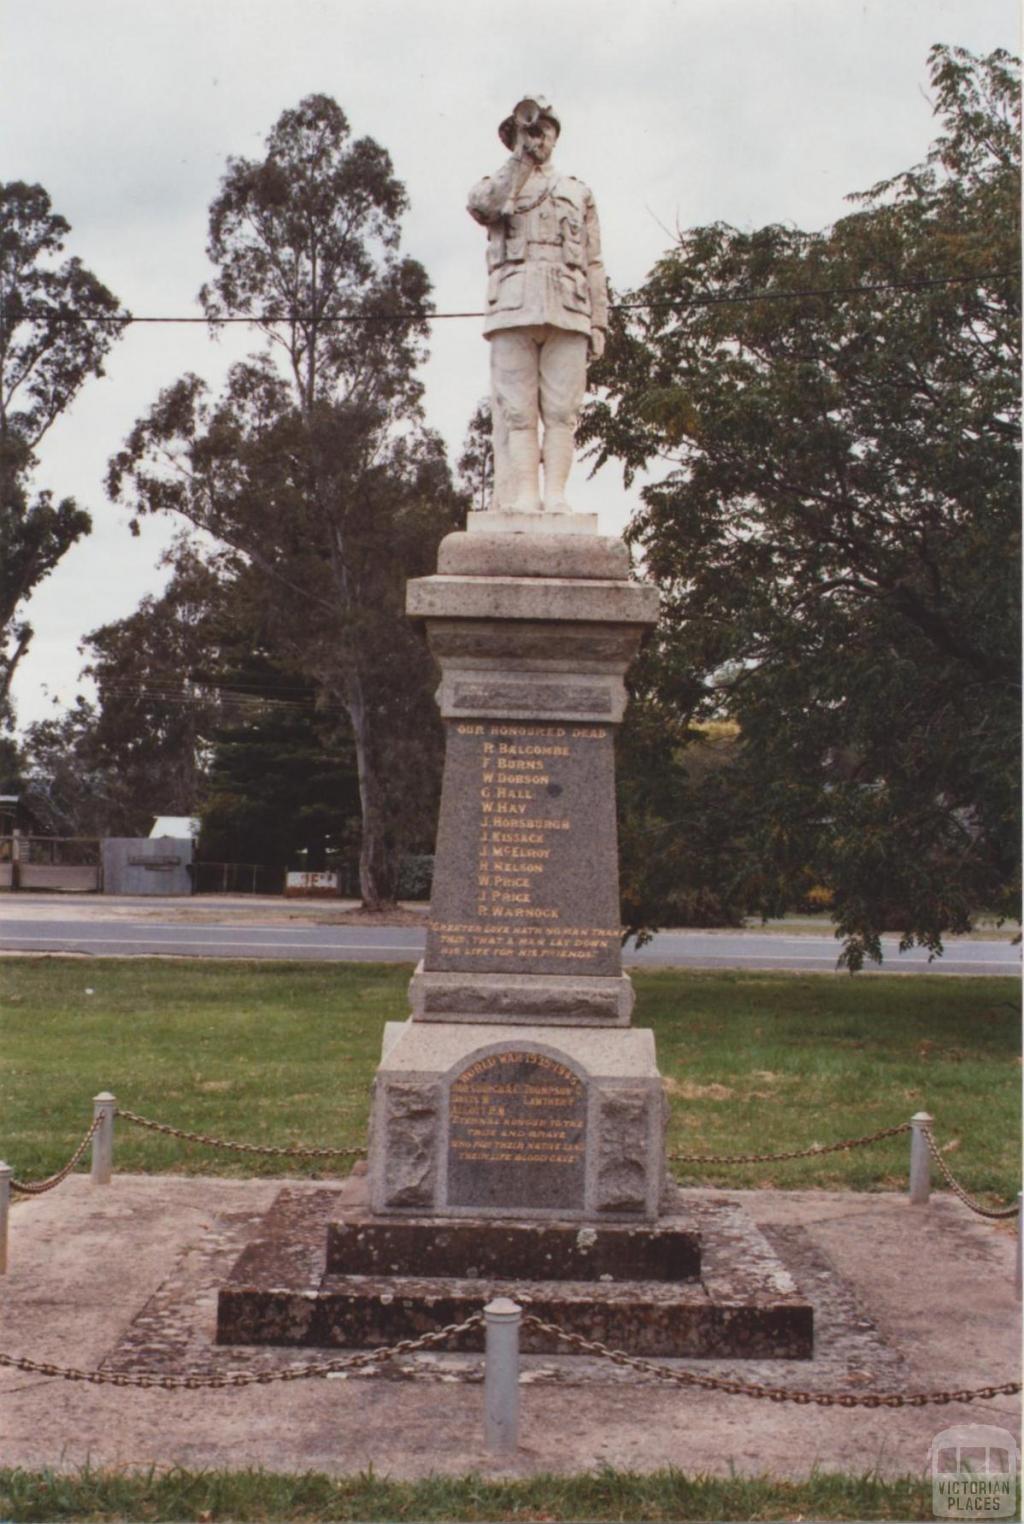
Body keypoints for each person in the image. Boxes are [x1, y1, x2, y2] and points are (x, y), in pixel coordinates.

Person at [467, 96, 608, 515]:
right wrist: (519, 162)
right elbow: (481, 206)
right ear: (513, 136)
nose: (537, 138)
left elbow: (594, 261)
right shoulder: (500, 185)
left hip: (568, 307)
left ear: (555, 136)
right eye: (529, 130)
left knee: (564, 412)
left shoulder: (576, 191)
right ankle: (526, 495)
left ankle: (557, 496)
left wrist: (599, 323)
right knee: (518, 411)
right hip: (513, 306)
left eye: (544, 130)